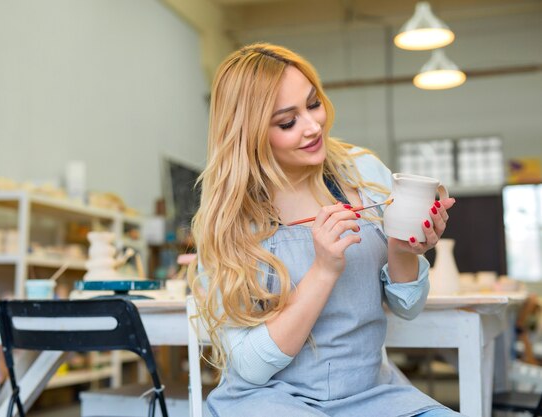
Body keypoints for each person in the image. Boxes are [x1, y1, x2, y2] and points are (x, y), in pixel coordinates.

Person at [188, 43, 460, 417]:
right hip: (270, 399)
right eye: (287, 122)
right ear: (248, 134)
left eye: (313, 104)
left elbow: (407, 307)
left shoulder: (362, 174)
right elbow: (250, 367)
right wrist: (323, 270)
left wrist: (403, 249)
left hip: (371, 394)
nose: (313, 126)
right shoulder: (230, 218)